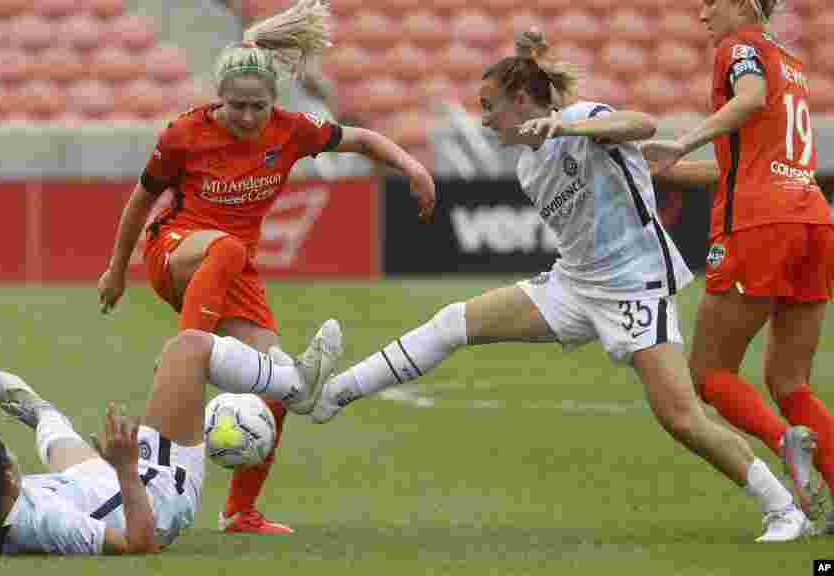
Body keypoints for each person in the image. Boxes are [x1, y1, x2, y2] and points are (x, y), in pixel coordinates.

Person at [308, 29, 812, 542]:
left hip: (635, 288)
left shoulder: (581, 120)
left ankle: (784, 509)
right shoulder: (528, 164)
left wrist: (571, 127)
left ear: (523, 102)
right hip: (573, 285)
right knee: (453, 322)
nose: (483, 119)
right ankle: (338, 392)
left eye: (490, 107)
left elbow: (643, 123)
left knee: (682, 419)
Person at [98, 0, 435, 534]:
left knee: (278, 386)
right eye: (237, 107)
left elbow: (363, 139)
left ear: (273, 102)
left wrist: (413, 166)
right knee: (226, 250)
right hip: (176, 252)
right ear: (219, 100)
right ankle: (192, 359)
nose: (248, 117)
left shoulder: (293, 130)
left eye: (258, 107)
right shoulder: (184, 133)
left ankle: (240, 511)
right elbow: (142, 200)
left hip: (231, 271)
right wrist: (116, 270)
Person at [0, 319, 343, 558]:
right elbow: (140, 544)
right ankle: (294, 386)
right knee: (186, 350)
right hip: (157, 494)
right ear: (6, 476)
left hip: (91, 486)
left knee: (71, 464)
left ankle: (43, 415)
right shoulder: (50, 522)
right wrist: (128, 466)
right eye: (7, 455)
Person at [641, 0, 834, 528]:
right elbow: (743, 164)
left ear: (744, 4)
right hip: (813, 217)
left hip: (759, 225)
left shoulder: (739, 47)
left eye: (712, 3)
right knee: (790, 381)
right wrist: (661, 167)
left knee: (709, 372)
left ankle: (782, 444)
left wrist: (681, 140)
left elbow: (747, 101)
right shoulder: (789, 60)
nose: (702, 15)